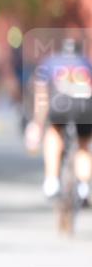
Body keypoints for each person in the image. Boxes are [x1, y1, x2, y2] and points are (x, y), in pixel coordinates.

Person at [26, 37, 92, 200]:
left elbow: (41, 93)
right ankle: (84, 187)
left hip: (59, 106)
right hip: (84, 108)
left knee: (54, 132)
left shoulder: (50, 62)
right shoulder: (86, 63)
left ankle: (51, 182)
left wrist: (37, 123)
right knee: (83, 144)